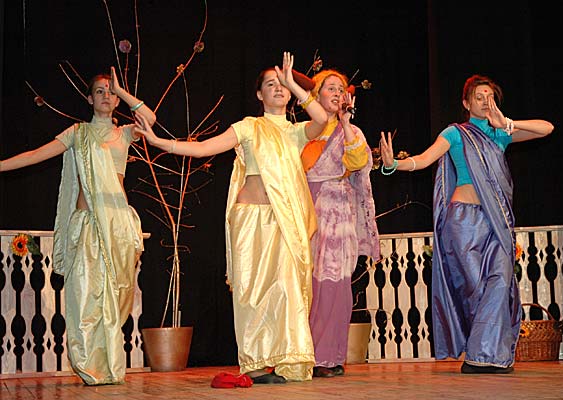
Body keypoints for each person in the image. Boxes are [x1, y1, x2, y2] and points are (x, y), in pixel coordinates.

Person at [134, 52, 328, 384]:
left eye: (282, 84)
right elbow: (204, 148)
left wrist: (295, 83)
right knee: (252, 291)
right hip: (251, 220)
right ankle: (255, 363)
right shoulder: (249, 126)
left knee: (287, 290)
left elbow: (322, 118)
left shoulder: (295, 132)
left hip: (285, 223)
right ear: (259, 95)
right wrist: (157, 142)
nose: (278, 88)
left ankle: (288, 359)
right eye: (271, 84)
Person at [379, 74, 554, 373]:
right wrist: (393, 164)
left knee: (500, 282)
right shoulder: (455, 133)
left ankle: (486, 356)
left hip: (496, 221)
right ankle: (480, 354)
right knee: (475, 288)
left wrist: (506, 123)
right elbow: (423, 159)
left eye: (490, 97)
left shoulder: (501, 134)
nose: (485, 102)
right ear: (466, 103)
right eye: (479, 97)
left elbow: (546, 128)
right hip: (463, 221)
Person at [0, 67, 156, 384]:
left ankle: (111, 366)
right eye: (100, 91)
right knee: (85, 296)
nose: (106, 96)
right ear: (89, 99)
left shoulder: (125, 133)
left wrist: (123, 91)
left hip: (118, 227)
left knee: (116, 299)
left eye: (111, 92)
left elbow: (150, 119)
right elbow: (35, 155)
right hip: (87, 225)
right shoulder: (77, 134)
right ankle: (90, 368)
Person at [299, 69, 379, 377]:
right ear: (315, 95)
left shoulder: (351, 131)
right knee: (308, 285)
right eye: (329, 88)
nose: (336, 93)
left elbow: (358, 162)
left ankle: (328, 356)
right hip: (308, 208)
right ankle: (303, 355)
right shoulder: (303, 131)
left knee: (336, 285)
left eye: (340, 89)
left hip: (338, 213)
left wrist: (345, 123)